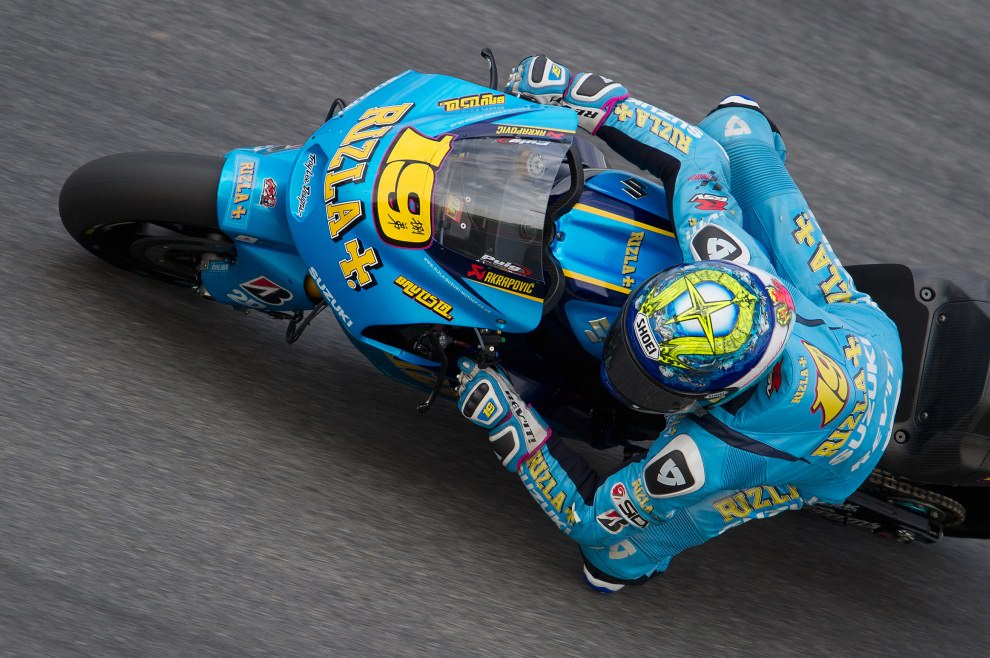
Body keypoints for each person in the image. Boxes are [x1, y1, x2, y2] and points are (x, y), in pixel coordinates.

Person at [455, 56, 904, 592]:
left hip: (841, 450)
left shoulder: (707, 453)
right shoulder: (728, 256)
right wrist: (578, 95)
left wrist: (511, 423)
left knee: (611, 560)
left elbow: (590, 518)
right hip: (856, 328)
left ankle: (650, 554)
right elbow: (698, 154)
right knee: (734, 124)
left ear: (719, 394)